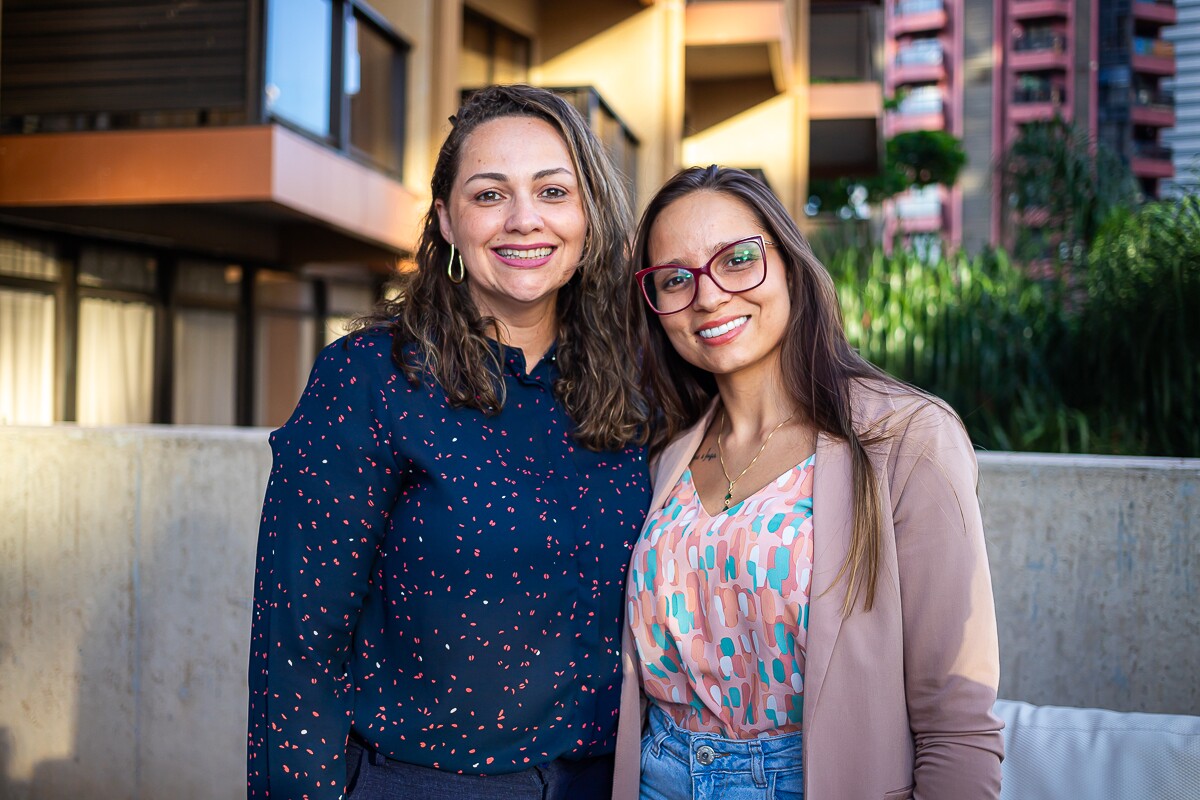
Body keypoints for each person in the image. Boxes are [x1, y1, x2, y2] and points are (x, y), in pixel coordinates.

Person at [246, 84, 650, 800]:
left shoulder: (635, 382)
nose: (525, 220)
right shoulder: (370, 379)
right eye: (490, 195)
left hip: (615, 782)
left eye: (554, 191)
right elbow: (299, 646)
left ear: (589, 215)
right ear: (447, 220)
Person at [611, 166, 1003, 800]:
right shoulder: (665, 450)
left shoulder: (904, 438)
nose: (708, 296)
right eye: (675, 279)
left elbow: (956, 712)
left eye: (738, 259)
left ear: (790, 264)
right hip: (660, 776)